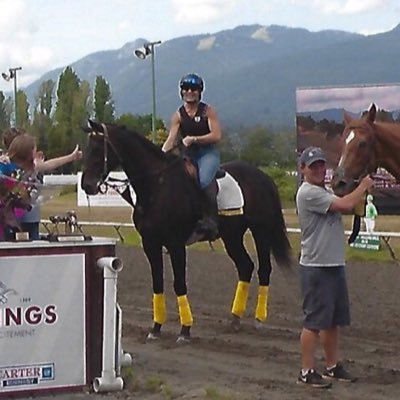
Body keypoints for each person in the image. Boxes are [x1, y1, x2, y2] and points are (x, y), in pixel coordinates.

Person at [296, 146, 374, 388]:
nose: (319, 170)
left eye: (321, 165)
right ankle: (306, 371)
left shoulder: (323, 190)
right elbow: (344, 205)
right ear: (302, 170)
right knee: (314, 322)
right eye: (313, 166)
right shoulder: (308, 193)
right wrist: (363, 187)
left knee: (332, 321)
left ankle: (332, 365)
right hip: (317, 265)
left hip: (333, 263)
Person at [162, 73, 222, 244]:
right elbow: (171, 138)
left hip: (207, 153)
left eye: (194, 89)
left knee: (203, 180)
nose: (190, 92)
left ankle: (211, 221)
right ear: (181, 92)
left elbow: (216, 135)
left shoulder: (207, 111)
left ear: (200, 92)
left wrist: (195, 139)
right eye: (186, 89)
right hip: (187, 154)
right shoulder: (178, 115)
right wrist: (160, 154)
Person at [1, 128, 82, 239]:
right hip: (5, 221)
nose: (36, 152)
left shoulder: (30, 167)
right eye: (34, 150)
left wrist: (72, 157)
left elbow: (50, 164)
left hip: (24, 217)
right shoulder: (4, 165)